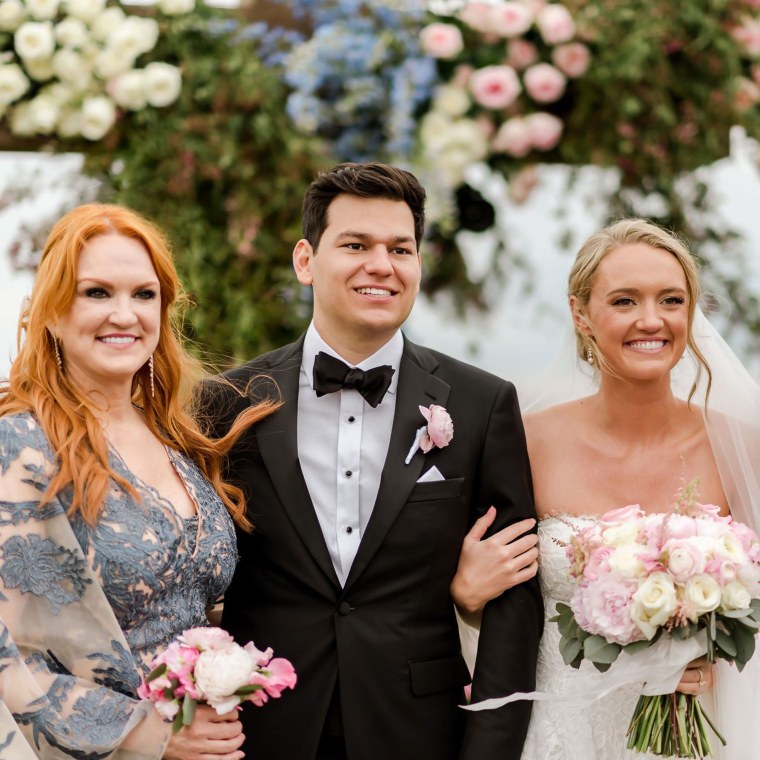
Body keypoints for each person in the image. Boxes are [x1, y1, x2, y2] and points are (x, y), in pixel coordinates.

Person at [198, 162, 543, 760]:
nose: (380, 265)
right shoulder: (225, 404)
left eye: (400, 249)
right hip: (258, 731)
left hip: (419, 731)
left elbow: (516, 600)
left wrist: (490, 748)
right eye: (355, 244)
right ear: (305, 260)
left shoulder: (483, 404)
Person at [451, 218, 760, 759]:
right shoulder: (526, 440)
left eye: (671, 300)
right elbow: (503, 610)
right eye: (623, 301)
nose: (651, 320)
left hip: (696, 736)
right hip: (560, 733)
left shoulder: (741, 445)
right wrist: (466, 597)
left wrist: (715, 650)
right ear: (580, 314)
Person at [0, 204, 277, 758]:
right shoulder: (21, 446)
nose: (124, 314)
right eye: (96, 293)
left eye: (143, 294)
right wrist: (148, 734)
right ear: (52, 311)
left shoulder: (179, 436)